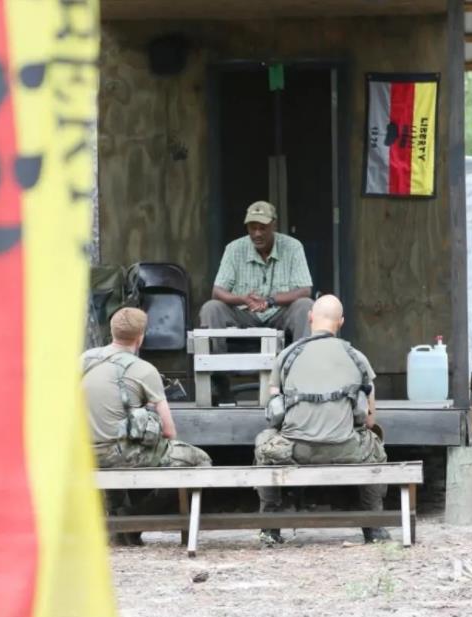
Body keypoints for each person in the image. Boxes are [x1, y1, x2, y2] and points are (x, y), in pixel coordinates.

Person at [253, 294, 390, 546]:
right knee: (374, 444)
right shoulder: (357, 357)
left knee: (264, 442)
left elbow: (273, 414)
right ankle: (375, 527)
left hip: (296, 450)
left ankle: (270, 528)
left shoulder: (286, 356)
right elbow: (369, 421)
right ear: (341, 322)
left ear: (310, 317)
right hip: (346, 449)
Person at [82, 307, 211, 542]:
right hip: (119, 453)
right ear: (141, 336)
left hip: (83, 453)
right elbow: (169, 432)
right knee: (200, 461)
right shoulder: (144, 370)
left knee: (113, 452)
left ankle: (120, 529)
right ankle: (134, 517)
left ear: (112, 331)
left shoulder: (85, 360)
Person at [200, 200, 314, 347]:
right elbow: (217, 292)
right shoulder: (234, 248)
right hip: (244, 314)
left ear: (274, 225)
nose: (257, 234)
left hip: (280, 313)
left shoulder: (293, 247)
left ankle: (302, 358)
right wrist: (243, 299)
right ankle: (215, 360)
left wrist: (270, 300)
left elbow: (305, 290)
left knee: (306, 305)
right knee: (211, 308)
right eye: (252, 228)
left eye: (263, 228)